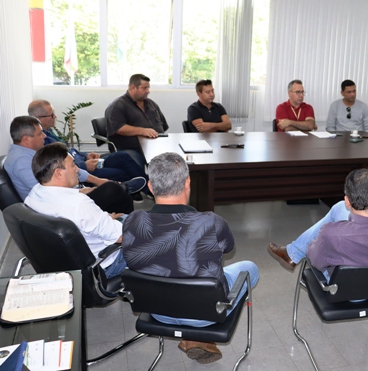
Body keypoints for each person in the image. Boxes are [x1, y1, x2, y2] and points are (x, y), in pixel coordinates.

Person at [122, 152, 259, 365]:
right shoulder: (211, 223)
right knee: (250, 267)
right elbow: (228, 247)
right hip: (205, 313)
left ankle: (190, 337)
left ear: (150, 187)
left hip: (158, 311)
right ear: (188, 182)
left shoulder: (132, 221)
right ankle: (195, 335)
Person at [267, 169, 368, 280]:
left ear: (348, 201)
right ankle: (292, 252)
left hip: (346, 291)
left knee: (337, 211)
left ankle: (293, 253)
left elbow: (316, 261)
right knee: (337, 209)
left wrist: (318, 244)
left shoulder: (330, 234)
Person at [24, 143, 127, 279]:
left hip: (66, 264)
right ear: (59, 173)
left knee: (128, 218)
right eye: (73, 165)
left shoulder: (34, 194)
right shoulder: (79, 204)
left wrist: (105, 219)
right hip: (104, 265)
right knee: (154, 234)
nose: (77, 169)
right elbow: (122, 237)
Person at [4, 116, 135, 213]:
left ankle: (121, 200)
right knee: (113, 191)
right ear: (26, 139)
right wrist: (83, 191)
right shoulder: (20, 161)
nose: (44, 136)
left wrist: (97, 181)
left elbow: (73, 169)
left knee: (116, 193)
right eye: (40, 133)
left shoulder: (32, 153)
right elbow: (48, 192)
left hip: (66, 196)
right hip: (56, 207)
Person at [28, 99, 149, 200]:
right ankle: (144, 191)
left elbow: (69, 149)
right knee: (123, 172)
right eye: (51, 115)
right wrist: (85, 165)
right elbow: (60, 165)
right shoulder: (41, 140)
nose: (55, 116)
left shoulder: (48, 131)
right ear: (39, 118)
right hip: (80, 170)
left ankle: (148, 188)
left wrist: (86, 155)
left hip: (83, 162)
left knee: (123, 157)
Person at [105, 73, 169, 167]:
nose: (148, 91)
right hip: (132, 149)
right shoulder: (118, 105)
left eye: (148, 87)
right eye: (144, 88)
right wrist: (142, 131)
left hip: (155, 145)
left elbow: (162, 125)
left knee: (176, 161)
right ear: (133, 87)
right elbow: (119, 128)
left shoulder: (151, 104)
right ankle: (146, 181)